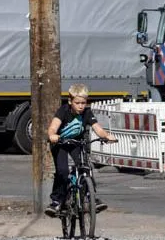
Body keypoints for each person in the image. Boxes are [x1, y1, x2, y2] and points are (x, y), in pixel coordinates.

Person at [45, 84, 117, 218]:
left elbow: (98, 128)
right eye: (77, 103)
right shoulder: (63, 111)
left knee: (86, 168)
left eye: (83, 103)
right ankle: (56, 201)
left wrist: (106, 136)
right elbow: (53, 127)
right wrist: (52, 135)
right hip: (60, 143)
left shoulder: (87, 113)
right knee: (63, 171)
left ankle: (91, 197)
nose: (81, 106)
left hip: (77, 143)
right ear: (70, 101)